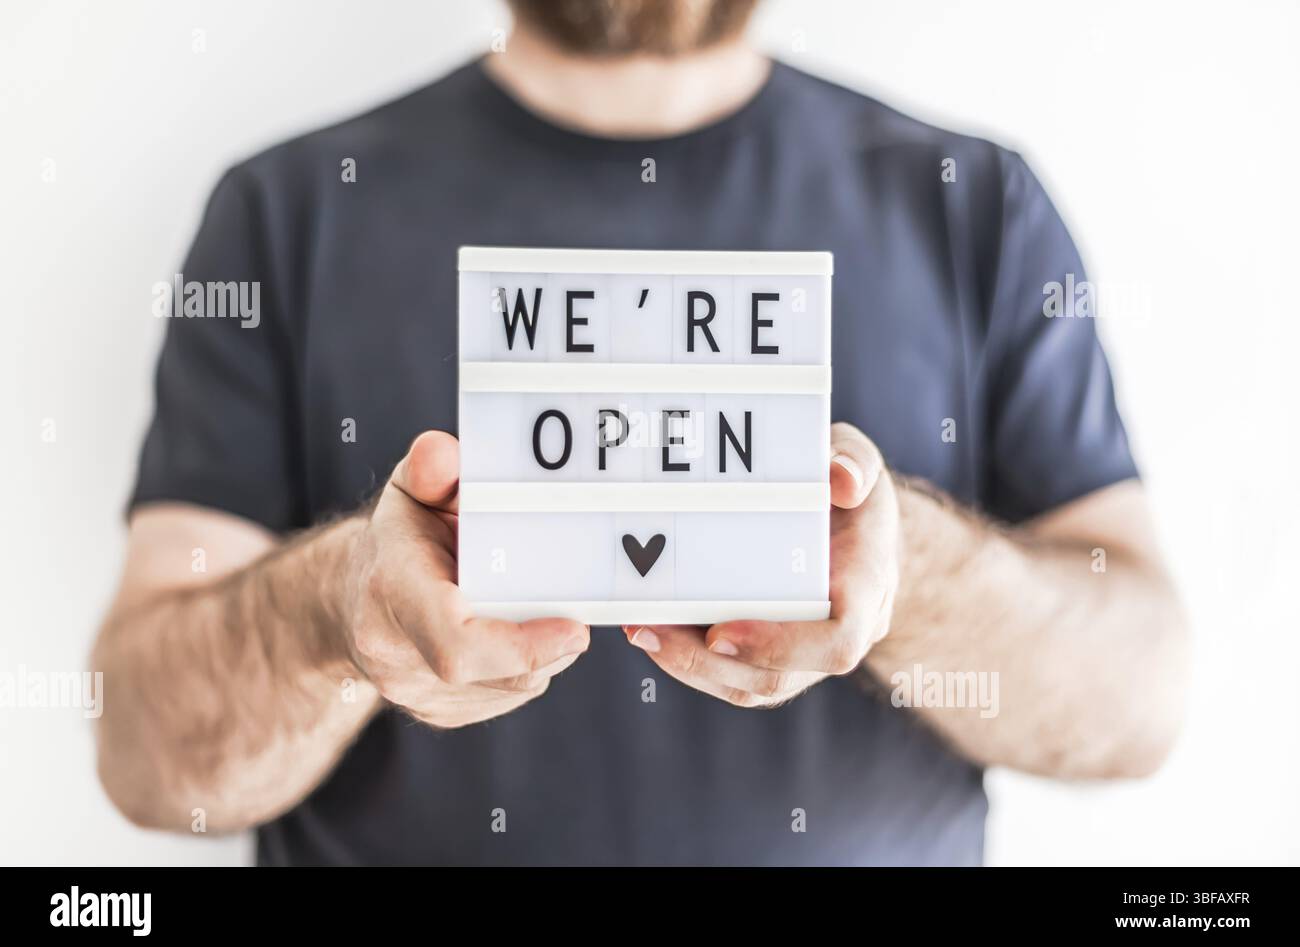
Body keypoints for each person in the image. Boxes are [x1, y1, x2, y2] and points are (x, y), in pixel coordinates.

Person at [92, 0, 1188, 865]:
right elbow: (145, 757)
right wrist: (332, 615)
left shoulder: (975, 207)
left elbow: (1138, 698)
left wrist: (915, 577)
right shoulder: (284, 212)